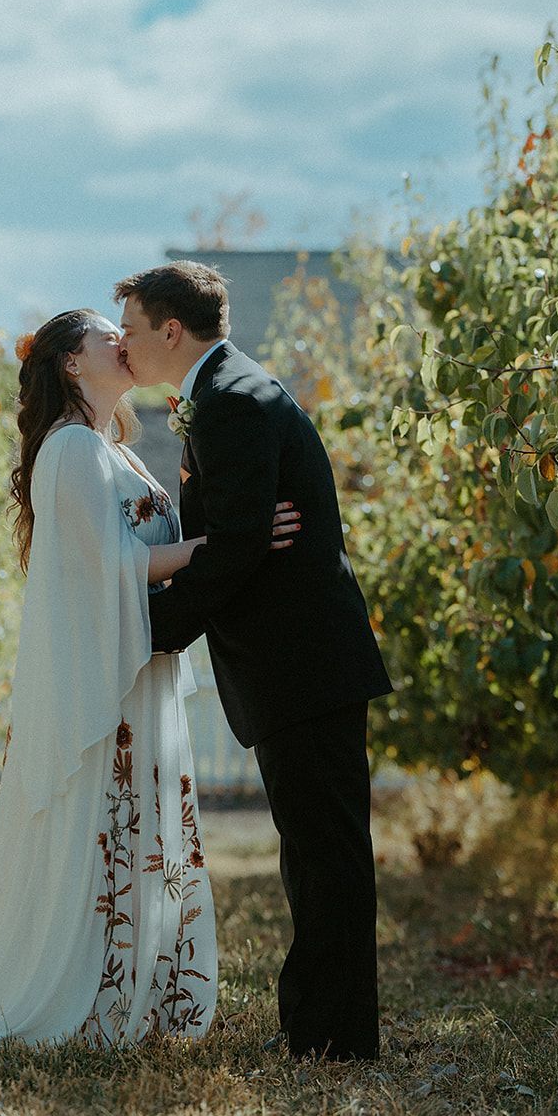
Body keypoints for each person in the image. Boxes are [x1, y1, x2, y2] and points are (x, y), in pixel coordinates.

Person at [0, 308, 300, 1057]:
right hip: (106, 675)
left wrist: (215, 540)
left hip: (134, 663)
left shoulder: (112, 449)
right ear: (69, 364)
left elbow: (137, 550)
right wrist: (223, 545)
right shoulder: (71, 450)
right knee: (102, 821)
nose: (121, 344)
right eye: (102, 336)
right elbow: (109, 566)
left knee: (132, 826)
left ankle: (132, 981)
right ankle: (80, 990)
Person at [115, 261, 394, 1063]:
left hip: (302, 663)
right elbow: (238, 538)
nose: (126, 347)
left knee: (324, 854)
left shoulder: (232, 402)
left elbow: (235, 551)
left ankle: (331, 1038)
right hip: (299, 663)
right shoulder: (228, 393)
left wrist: (147, 633)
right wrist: (230, 540)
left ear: (173, 330)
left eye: (132, 330)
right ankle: (323, 1029)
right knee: (314, 852)